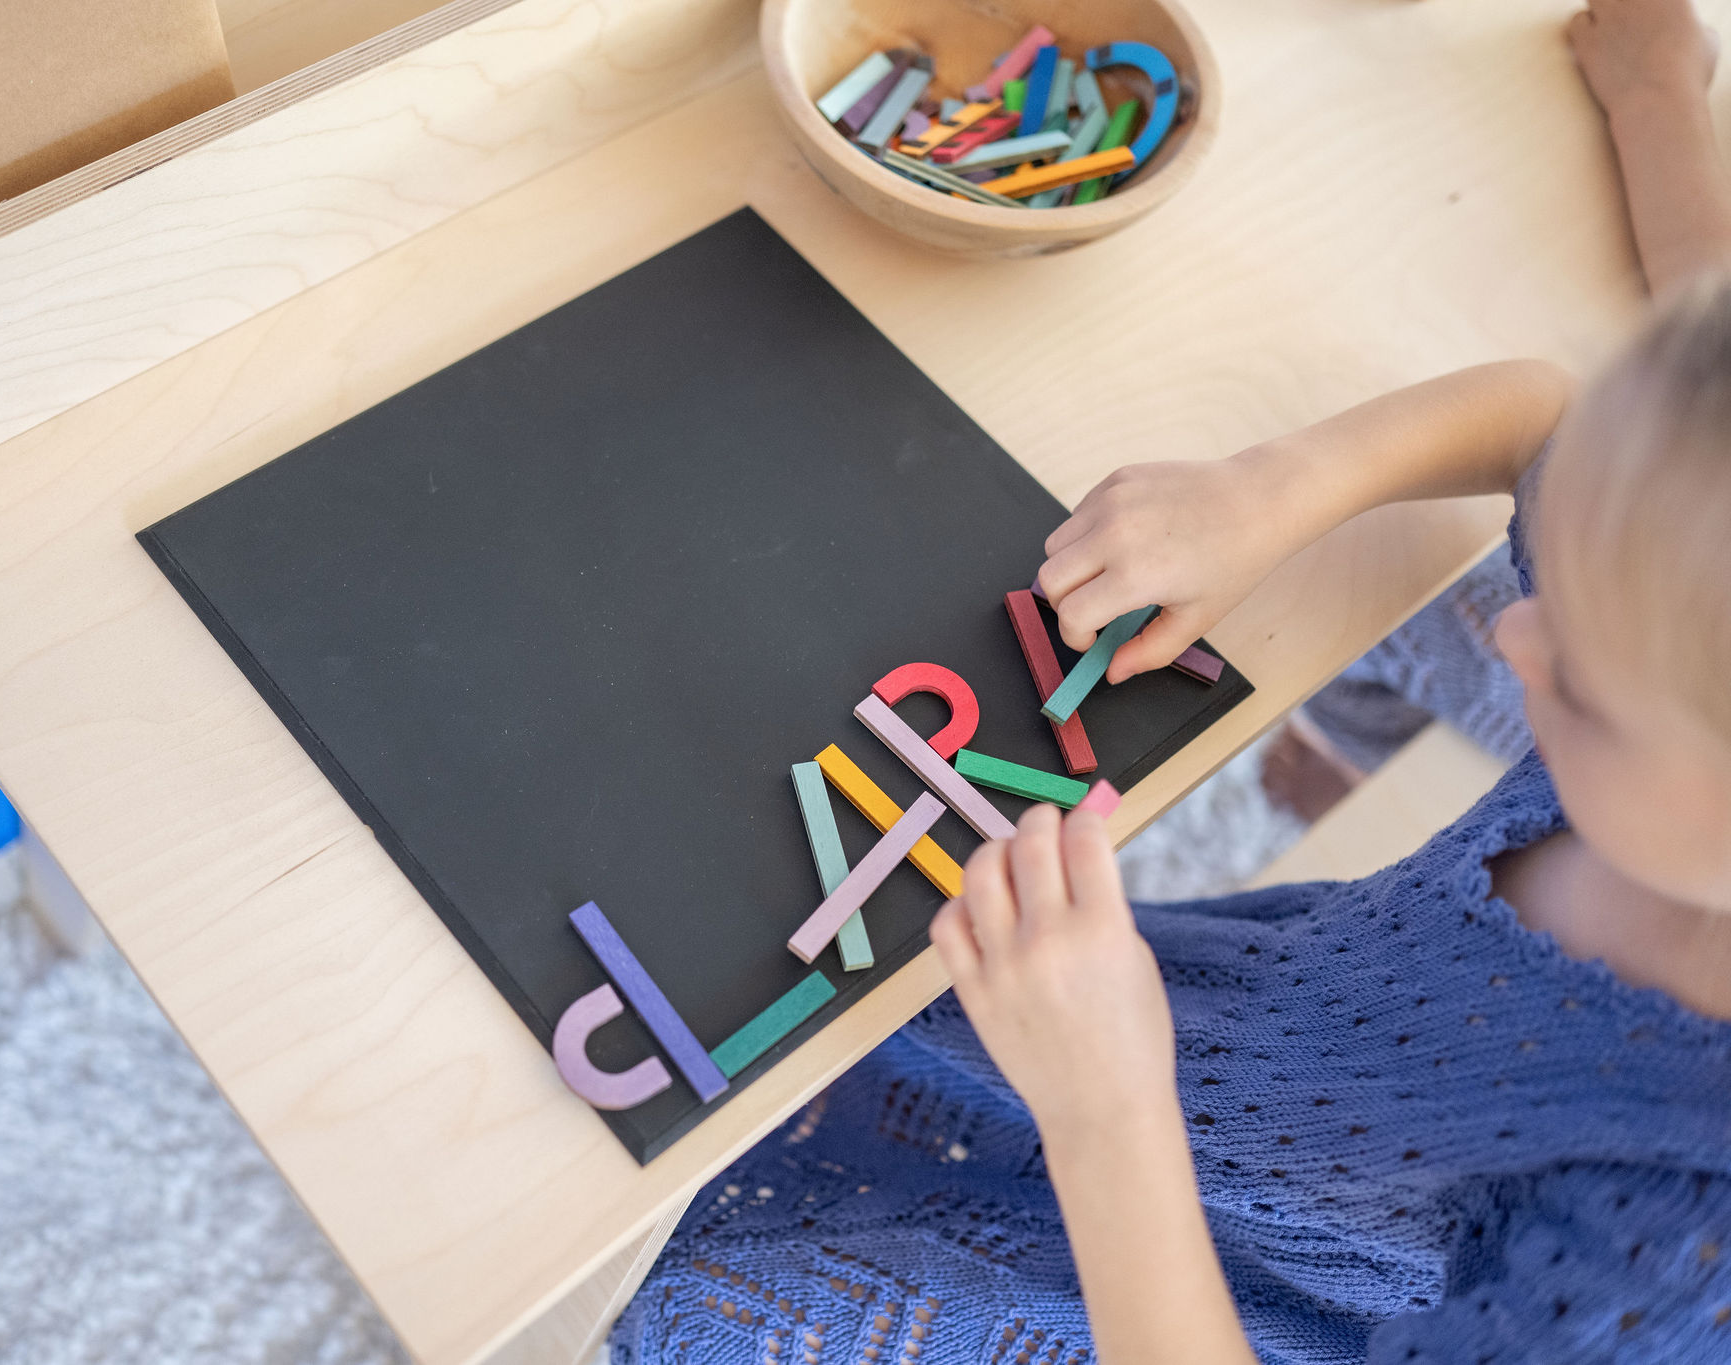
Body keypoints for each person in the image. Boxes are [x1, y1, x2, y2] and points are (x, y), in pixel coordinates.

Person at [612, 280, 1731, 1364]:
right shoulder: (1669, 632)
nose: (1511, 640)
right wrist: (1270, 486)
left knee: (673, 1284)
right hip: (1160, 1026)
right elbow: (1542, 415)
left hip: (1132, 1275)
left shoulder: (1688, 1247)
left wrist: (1106, 1113)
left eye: (1578, 682)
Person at [1265, 0, 1731, 822]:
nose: (1522, 634)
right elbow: (1704, 322)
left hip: (1548, 766)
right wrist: (1657, 98)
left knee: (1397, 636)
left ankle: (1349, 758)